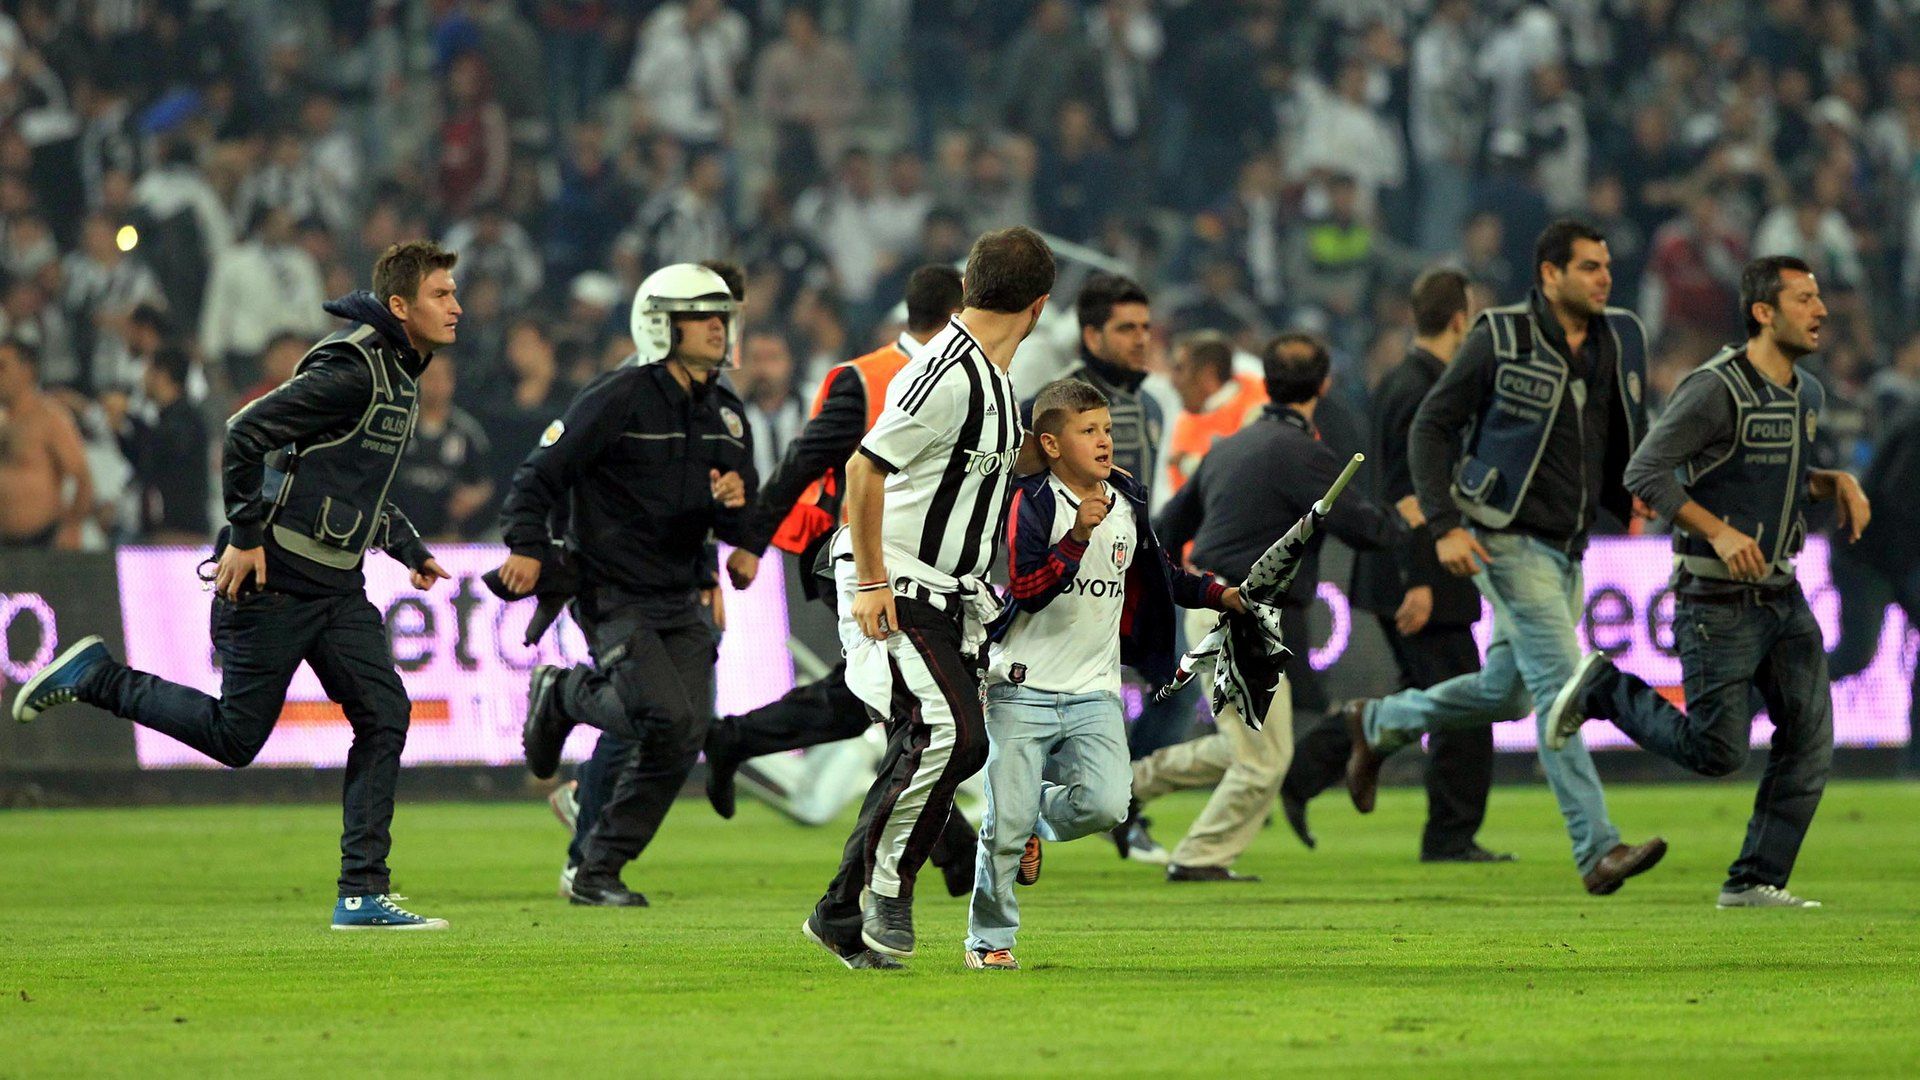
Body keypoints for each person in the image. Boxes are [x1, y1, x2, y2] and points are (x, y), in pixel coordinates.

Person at [12, 241, 462, 930]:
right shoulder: (353, 369)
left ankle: (362, 893)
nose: (456, 306)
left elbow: (343, 481)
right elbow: (245, 432)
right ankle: (100, 676)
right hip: (276, 580)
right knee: (234, 738)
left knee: (386, 715)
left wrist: (405, 547)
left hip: (336, 588)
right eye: (441, 294)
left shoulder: (399, 372)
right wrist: (248, 537)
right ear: (400, 305)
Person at [1342, 220, 1669, 897]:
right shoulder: (1500, 336)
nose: (1603, 278)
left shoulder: (1615, 339)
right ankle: (1597, 848)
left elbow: (1606, 435)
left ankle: (1379, 723)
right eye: (1587, 267)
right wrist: (1444, 525)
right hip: (1507, 537)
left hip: (1568, 546)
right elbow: (1433, 427)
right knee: (1561, 691)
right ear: (1549, 275)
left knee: (1507, 693)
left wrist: (1627, 496)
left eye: (1606, 266)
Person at [1543, 256, 1870, 909]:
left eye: (1818, 298)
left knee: (1810, 742)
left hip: (1782, 590)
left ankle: (1754, 880)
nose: (1821, 311)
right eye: (1804, 299)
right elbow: (1646, 473)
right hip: (1715, 597)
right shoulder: (1714, 388)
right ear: (1763, 312)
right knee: (1718, 752)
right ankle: (1606, 687)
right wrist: (1717, 530)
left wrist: (1831, 482)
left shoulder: (1808, 393)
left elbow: (1772, 478)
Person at [802, 226, 1054, 969]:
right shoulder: (945, 371)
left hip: (949, 596)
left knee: (930, 743)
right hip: (896, 583)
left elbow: (974, 470)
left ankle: (838, 913)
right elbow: (864, 470)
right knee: (950, 734)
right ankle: (887, 887)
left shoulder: (995, 383)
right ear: (1038, 307)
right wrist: (874, 580)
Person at [701, 267, 978, 905]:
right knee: (910, 700)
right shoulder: (867, 377)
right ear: (960, 310)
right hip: (861, 564)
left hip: (930, 571)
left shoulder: (973, 381)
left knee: (870, 701)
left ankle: (735, 739)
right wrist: (752, 541)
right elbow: (804, 460)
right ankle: (949, 842)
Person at [966, 378, 1244, 970]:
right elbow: (1028, 589)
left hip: (1095, 690)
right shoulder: (1031, 501)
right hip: (1021, 684)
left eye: (1108, 430)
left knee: (1108, 804)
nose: (1103, 442)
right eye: (1087, 431)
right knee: (1002, 827)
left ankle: (1032, 817)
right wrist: (1078, 536)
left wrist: (1222, 595)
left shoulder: (1127, 499)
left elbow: (1164, 574)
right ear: (1052, 443)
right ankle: (990, 943)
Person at [506, 262, 757, 909]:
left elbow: (735, 507)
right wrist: (529, 548)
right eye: (702, 317)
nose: (718, 328)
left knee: (685, 733)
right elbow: (539, 475)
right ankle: (561, 693)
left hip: (682, 591)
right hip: (612, 589)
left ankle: (597, 869)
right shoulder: (616, 397)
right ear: (659, 325)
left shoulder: (727, 414)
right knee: (660, 716)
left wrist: (735, 505)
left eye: (721, 317)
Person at [1133, 333, 1410, 882]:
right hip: (1242, 613)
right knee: (1261, 761)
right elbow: (1366, 529)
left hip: (1213, 603)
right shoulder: (1306, 454)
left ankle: (1123, 786)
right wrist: (1408, 520)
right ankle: (1197, 859)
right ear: (1324, 385)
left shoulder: (1229, 446)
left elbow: (1167, 529)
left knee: (1251, 750)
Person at [1280, 269, 1510, 863]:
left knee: (1429, 697)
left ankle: (1310, 769)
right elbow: (1409, 494)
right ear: (1461, 318)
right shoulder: (1424, 388)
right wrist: (1420, 581)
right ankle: (1449, 837)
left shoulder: (1409, 381)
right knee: (1465, 704)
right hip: (1419, 572)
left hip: (1419, 568)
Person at [0, 339, 93, 549]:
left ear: (26, 371)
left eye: (3, 367)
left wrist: (72, 527)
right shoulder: (2, 421)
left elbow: (82, 478)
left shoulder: (50, 418)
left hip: (42, 541)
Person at [390, 358, 493, 541]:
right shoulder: (398, 426)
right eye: (429, 377)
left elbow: (485, 484)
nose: (435, 385)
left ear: (451, 382)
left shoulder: (467, 431)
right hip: (397, 536)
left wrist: (471, 498)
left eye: (440, 377)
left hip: (448, 540)